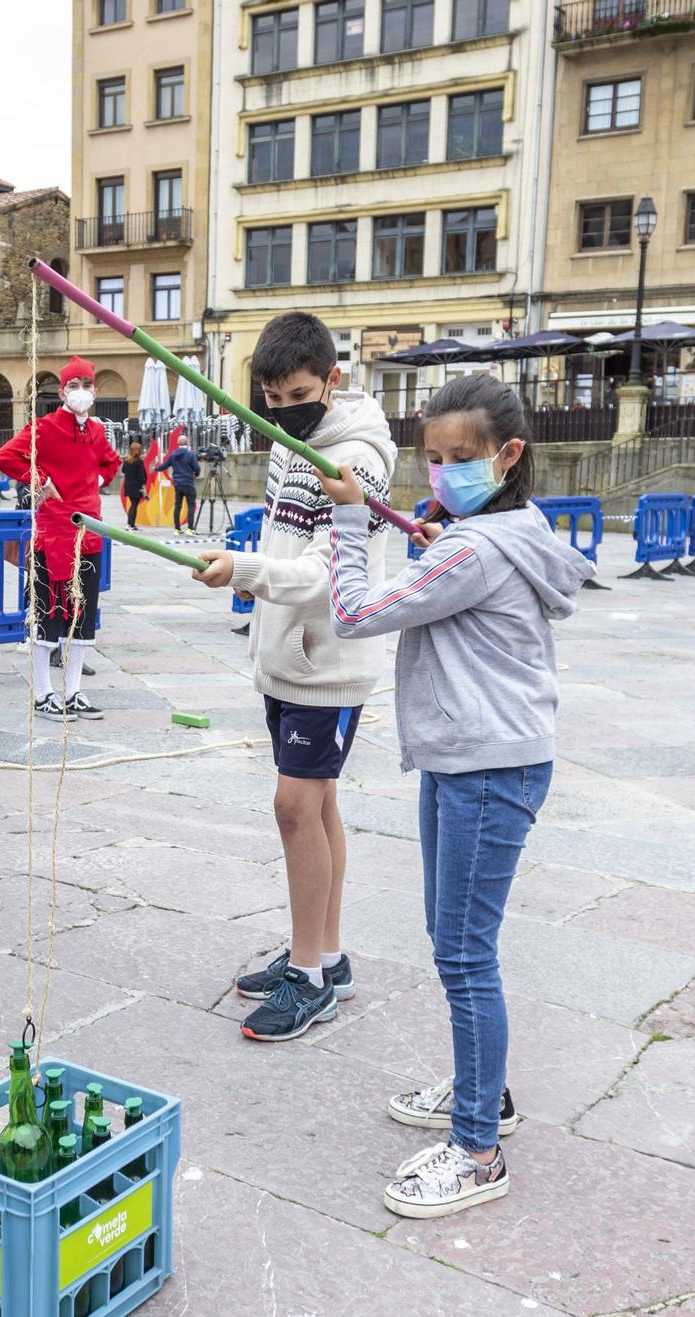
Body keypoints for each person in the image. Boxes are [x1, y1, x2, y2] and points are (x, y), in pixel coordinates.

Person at [317, 374, 593, 1219]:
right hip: (475, 757)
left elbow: (358, 614)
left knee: (466, 954)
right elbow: (446, 578)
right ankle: (487, 1089)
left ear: (508, 455)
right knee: (453, 938)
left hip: (486, 766)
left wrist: (351, 521)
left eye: (460, 459)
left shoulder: (473, 548)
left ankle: (477, 1146)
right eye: (431, 458)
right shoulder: (506, 525)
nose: (440, 473)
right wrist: (434, 532)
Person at [186, 312, 398, 1042]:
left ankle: (308, 975)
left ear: (331, 380)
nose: (284, 412)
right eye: (272, 401)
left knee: (293, 808)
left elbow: (324, 571)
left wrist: (243, 573)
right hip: (286, 655)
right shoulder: (287, 442)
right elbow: (285, 534)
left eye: (300, 395)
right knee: (318, 805)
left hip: (330, 661)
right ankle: (326, 954)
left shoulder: (358, 462)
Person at [0, 357, 119, 720]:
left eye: (87, 385)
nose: (81, 391)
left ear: (95, 390)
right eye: (73, 385)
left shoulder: (95, 431)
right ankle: (43, 693)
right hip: (54, 535)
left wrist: (97, 481)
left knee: (83, 617)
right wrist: (40, 480)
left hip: (89, 534)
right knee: (49, 615)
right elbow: (3, 458)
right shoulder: (44, 427)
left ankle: (74, 691)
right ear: (62, 391)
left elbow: (111, 463)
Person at [152, 435, 199, 532]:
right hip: (188, 482)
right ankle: (190, 529)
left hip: (177, 483)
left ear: (178, 444)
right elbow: (197, 468)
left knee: (178, 506)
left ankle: (177, 529)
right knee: (190, 506)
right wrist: (196, 474)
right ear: (187, 443)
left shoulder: (173, 454)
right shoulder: (190, 454)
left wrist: (155, 468)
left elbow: (164, 465)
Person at [121, 440, 147, 529]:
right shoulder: (139, 461)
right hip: (136, 487)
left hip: (128, 486)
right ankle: (130, 524)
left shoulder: (126, 460)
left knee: (133, 504)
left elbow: (123, 470)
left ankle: (131, 524)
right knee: (134, 505)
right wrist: (143, 486)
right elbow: (141, 476)